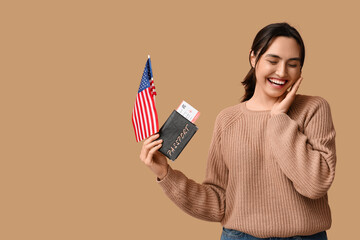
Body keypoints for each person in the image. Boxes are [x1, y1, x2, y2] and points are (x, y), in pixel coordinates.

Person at [139, 22, 336, 240]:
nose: (281, 72)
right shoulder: (228, 120)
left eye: (293, 64)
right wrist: (165, 174)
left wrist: (279, 119)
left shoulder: (314, 109)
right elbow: (218, 202)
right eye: (273, 60)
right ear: (253, 58)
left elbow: (315, 185)